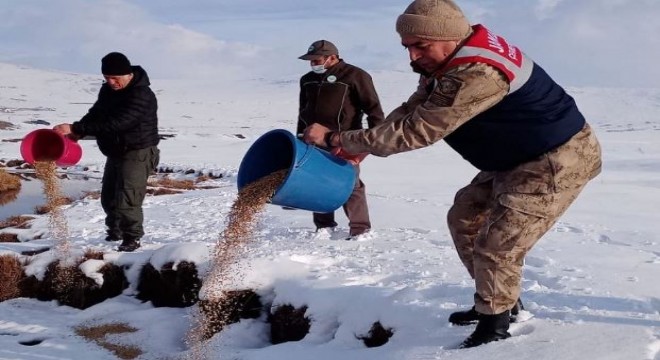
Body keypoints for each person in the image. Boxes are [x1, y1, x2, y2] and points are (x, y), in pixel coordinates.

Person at [303, 0, 602, 348]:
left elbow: (417, 131)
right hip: (517, 156)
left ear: (446, 37)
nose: (412, 56)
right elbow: (412, 109)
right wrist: (365, 143)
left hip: (555, 160)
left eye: (420, 46)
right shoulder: (451, 60)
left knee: (498, 244)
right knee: (464, 216)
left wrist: (337, 137)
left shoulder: (477, 74)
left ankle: (495, 330)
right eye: (408, 47)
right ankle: (500, 300)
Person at [54, 52, 160, 252]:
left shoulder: (142, 95)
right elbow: (96, 113)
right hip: (116, 151)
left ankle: (132, 238)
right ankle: (115, 230)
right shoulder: (107, 92)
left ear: (128, 74)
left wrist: (77, 129)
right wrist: (78, 130)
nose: (111, 82)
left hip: (138, 151)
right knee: (108, 196)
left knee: (128, 198)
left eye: (115, 78)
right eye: (106, 78)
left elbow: (120, 123)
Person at [297, 40, 385, 239]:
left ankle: (361, 230)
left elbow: (374, 111)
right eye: (310, 61)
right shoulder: (307, 80)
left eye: (316, 60)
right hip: (314, 142)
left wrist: (372, 142)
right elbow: (303, 113)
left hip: (346, 141)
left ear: (333, 57)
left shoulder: (355, 76)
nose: (312, 64)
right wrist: (300, 139)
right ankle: (324, 226)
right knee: (317, 182)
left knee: (350, 183)